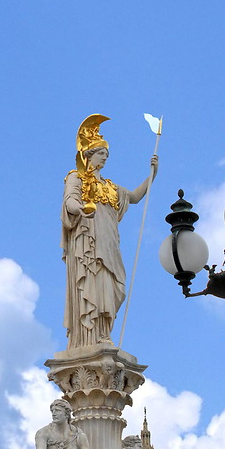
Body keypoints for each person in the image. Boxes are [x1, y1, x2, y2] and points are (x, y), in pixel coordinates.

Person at [62, 115, 157, 348]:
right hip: (88, 239)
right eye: (102, 152)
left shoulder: (110, 187)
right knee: (92, 282)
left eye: (107, 154)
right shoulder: (76, 177)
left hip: (109, 241)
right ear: (89, 154)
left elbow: (134, 197)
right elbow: (69, 201)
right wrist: (80, 209)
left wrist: (152, 175)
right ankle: (90, 336)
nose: (106, 156)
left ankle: (104, 331)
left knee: (112, 284)